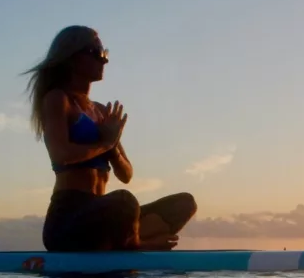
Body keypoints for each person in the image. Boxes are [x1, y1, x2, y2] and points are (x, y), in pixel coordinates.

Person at [22, 25, 197, 251]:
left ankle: (122, 241)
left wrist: (112, 145)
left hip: (103, 215)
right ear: (72, 58)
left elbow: (126, 174)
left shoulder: (102, 111)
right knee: (124, 201)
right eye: (97, 53)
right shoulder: (58, 99)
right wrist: (105, 142)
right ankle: (136, 245)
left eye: (105, 53)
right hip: (69, 221)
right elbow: (61, 154)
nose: (104, 61)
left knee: (184, 203)